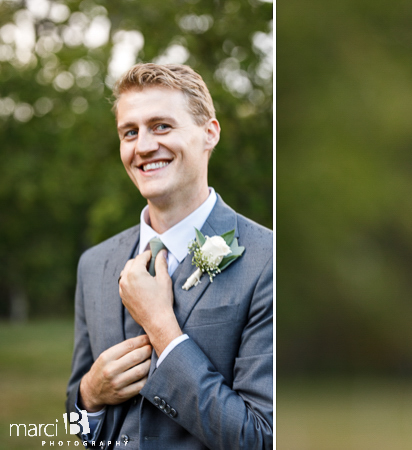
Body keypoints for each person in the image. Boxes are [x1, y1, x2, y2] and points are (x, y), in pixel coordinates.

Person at [65, 63, 273, 449]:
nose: (143, 146)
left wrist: (162, 327)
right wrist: (88, 397)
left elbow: (261, 439)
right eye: (130, 132)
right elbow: (79, 430)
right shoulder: (93, 264)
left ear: (209, 134)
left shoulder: (269, 261)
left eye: (161, 126)